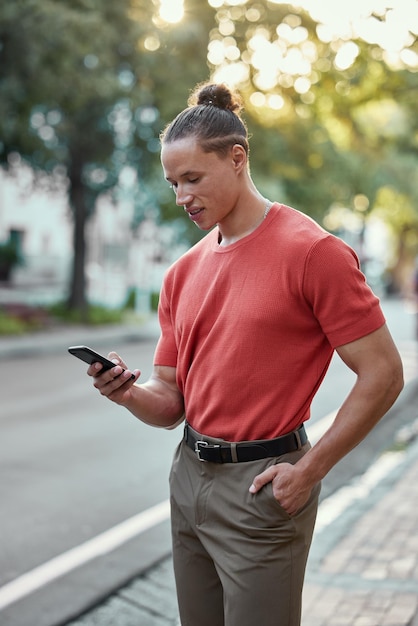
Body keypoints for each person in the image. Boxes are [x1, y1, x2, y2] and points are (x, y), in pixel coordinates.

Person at [87, 82, 404, 626]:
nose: (182, 196)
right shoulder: (181, 273)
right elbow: (169, 403)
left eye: (192, 179)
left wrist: (308, 470)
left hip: (264, 485)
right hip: (188, 477)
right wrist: (127, 393)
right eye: (172, 183)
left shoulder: (314, 253)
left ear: (237, 159)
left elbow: (385, 374)